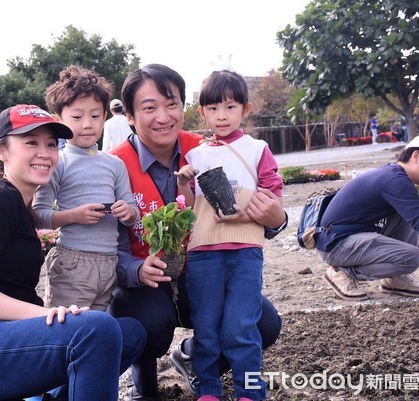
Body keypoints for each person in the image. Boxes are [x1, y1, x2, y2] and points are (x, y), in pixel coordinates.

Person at [0, 104, 146, 401]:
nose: (44, 153)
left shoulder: (20, 205)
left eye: (51, 144)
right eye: (31, 142)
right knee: (97, 329)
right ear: (2, 151)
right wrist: (46, 313)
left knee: (130, 333)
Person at [107, 64, 287, 401]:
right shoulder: (114, 165)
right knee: (147, 325)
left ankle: (193, 359)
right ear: (129, 116)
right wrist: (134, 269)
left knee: (263, 324)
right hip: (148, 282)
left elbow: (254, 207)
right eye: (149, 108)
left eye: (171, 104)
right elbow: (105, 245)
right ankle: (142, 379)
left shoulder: (206, 149)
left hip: (205, 269)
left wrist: (278, 219)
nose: (163, 116)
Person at [175, 70, 284, 401]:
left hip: (246, 251)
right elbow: (185, 205)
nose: (221, 116)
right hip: (203, 251)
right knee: (206, 326)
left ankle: (250, 390)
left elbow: (273, 193)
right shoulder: (195, 155)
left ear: (245, 109)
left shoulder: (257, 149)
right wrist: (182, 182)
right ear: (202, 111)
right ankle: (207, 389)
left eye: (229, 107)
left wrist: (246, 211)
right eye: (212, 108)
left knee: (241, 327)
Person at [33, 66, 139, 311]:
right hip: (73, 262)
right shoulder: (58, 162)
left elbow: (133, 211)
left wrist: (128, 213)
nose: (87, 124)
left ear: (105, 117)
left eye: (95, 116)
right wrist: (74, 216)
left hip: (109, 263)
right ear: (58, 120)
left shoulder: (114, 163)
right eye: (77, 117)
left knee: (97, 332)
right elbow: (38, 215)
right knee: (67, 331)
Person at [318, 134, 419, 301]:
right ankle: (342, 272)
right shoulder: (395, 180)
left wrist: (418, 244)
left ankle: (395, 279)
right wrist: (416, 248)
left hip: (349, 237)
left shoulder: (395, 176)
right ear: (416, 156)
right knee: (413, 257)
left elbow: (415, 218)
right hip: (336, 244)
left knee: (408, 212)